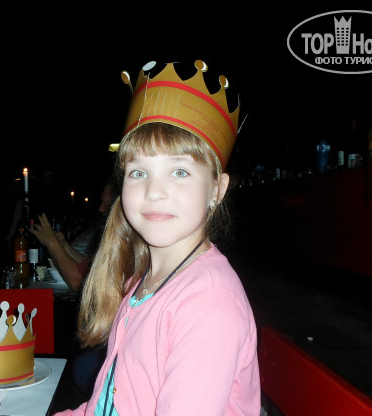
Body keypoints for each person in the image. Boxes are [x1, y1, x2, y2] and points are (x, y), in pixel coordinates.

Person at [54, 60, 259, 415]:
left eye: (179, 171)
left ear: (217, 188)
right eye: (138, 172)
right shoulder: (142, 282)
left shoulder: (207, 303)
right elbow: (107, 404)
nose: (154, 191)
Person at [30, 174, 118, 292]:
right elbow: (90, 265)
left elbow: (79, 282)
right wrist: (64, 246)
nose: (100, 208)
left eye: (105, 204)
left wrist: (51, 242)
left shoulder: (121, 239)